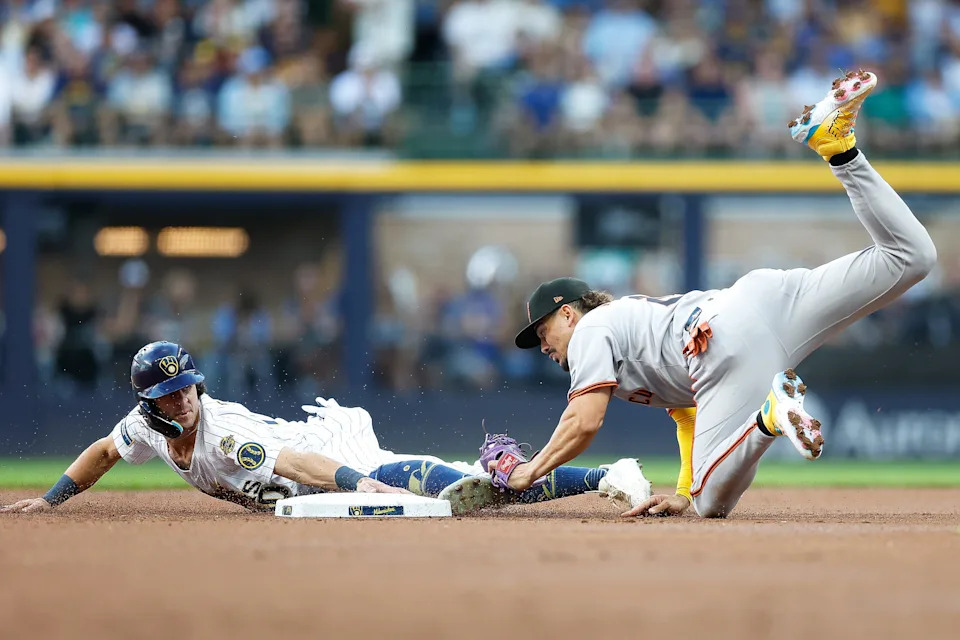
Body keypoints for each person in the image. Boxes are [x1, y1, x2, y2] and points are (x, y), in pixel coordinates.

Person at [486, 70, 937, 519]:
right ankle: (839, 149)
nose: (542, 344)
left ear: (568, 314)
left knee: (711, 505)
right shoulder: (625, 329)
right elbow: (688, 416)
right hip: (759, 300)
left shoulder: (590, 333)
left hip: (720, 343)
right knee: (910, 256)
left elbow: (584, 423)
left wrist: (530, 471)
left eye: (542, 330)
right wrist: (683, 489)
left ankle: (770, 416)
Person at [1, 342, 650, 516]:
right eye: (171, 395)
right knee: (458, 492)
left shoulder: (223, 432)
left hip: (328, 456)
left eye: (188, 386)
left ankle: (605, 475)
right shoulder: (144, 427)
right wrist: (54, 498)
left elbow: (294, 464)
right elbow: (101, 452)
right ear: (152, 405)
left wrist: (361, 481)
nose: (186, 400)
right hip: (313, 479)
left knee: (463, 494)